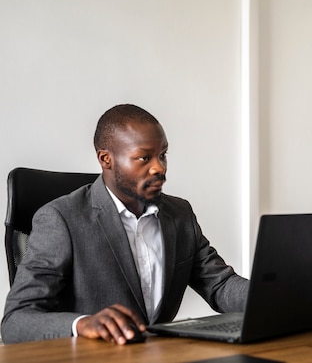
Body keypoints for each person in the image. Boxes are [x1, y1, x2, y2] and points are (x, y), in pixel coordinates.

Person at [1, 104, 249, 344]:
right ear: (106, 159)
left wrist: (276, 298)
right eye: (144, 157)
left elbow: (220, 284)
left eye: (162, 155)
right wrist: (83, 324)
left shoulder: (179, 214)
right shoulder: (61, 219)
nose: (159, 168)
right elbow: (15, 321)